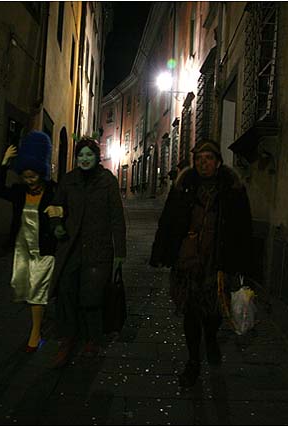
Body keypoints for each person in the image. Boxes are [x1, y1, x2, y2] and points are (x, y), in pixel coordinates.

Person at [150, 139, 252, 387]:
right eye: (198, 159)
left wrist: (242, 264)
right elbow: (168, 220)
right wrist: (162, 252)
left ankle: (212, 338)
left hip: (217, 261)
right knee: (191, 312)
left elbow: (243, 227)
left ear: (218, 162)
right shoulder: (184, 185)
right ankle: (193, 362)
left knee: (214, 313)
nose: (203, 163)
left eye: (208, 158)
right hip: (188, 261)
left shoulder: (232, 189)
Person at [45, 137, 126, 368]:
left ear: (97, 157)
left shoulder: (107, 181)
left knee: (92, 296)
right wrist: (56, 225)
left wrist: (120, 252)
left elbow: (117, 217)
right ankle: (68, 338)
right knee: (66, 291)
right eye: (81, 155)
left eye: (89, 154)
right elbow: (55, 207)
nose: (85, 159)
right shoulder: (69, 180)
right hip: (71, 246)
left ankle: (92, 339)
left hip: (98, 248)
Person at [0, 131, 57, 353]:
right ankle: (40, 318)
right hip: (23, 248)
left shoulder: (53, 191)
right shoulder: (20, 191)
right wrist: (4, 163)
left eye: (33, 176)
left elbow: (65, 208)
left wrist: (58, 213)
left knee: (37, 291)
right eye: (26, 177)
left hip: (44, 249)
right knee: (25, 290)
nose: (29, 181)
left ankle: (35, 332)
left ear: (42, 172)